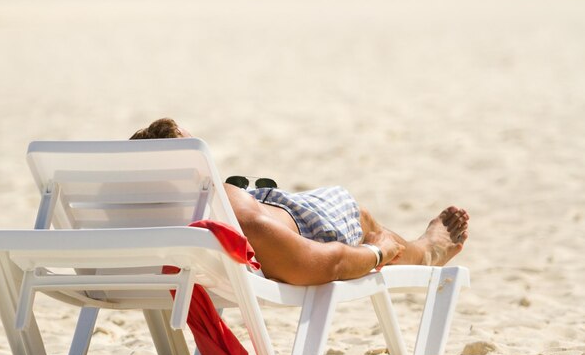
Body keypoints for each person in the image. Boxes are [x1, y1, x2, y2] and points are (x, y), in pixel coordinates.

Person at [130, 118, 469, 286]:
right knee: (363, 219)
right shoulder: (234, 214)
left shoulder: (126, 220)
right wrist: (379, 252)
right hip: (310, 228)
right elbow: (322, 265)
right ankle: (424, 251)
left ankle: (418, 249)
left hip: (258, 223)